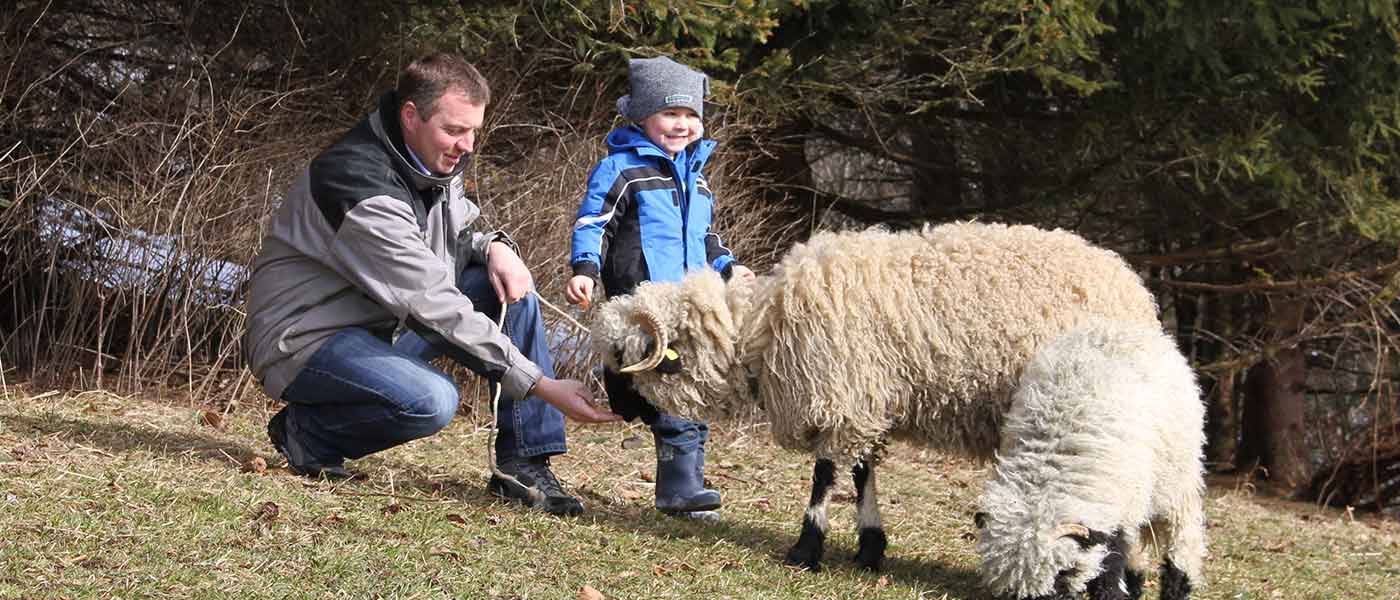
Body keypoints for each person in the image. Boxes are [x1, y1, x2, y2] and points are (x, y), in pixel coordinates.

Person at [243, 51, 620, 517]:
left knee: (508, 291)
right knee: (431, 401)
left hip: (379, 321)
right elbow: (431, 303)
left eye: (474, 131)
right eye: (455, 130)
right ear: (410, 116)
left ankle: (525, 462)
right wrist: (540, 384)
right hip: (305, 339)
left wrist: (495, 247)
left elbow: (455, 238)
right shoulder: (358, 184)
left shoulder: (431, 162)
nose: (467, 145)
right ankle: (306, 434)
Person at [564, 56, 756, 519]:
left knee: (691, 391)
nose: (682, 125)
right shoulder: (622, 170)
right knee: (668, 388)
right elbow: (595, 223)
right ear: (642, 116)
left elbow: (706, 236)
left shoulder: (698, 179)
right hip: (644, 308)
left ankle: (681, 487)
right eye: (671, 114)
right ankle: (681, 488)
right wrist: (584, 268)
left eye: (692, 116)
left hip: (690, 310)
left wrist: (728, 266)